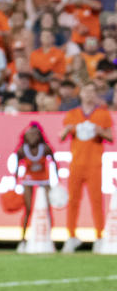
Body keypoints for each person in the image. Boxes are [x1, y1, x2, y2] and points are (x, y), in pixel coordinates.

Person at [60, 83, 113, 252]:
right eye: (86, 91)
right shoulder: (73, 114)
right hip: (76, 164)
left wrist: (100, 131)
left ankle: (99, 237)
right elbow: (61, 136)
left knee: (97, 201)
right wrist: (68, 130)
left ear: (95, 94)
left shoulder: (102, 114)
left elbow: (111, 137)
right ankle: (71, 236)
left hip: (94, 164)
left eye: (92, 92)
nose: (89, 94)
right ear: (81, 94)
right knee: (73, 201)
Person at [13, 122, 58, 251]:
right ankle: (22, 240)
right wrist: (14, 183)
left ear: (39, 136)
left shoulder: (45, 148)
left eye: (35, 134)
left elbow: (55, 163)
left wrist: (57, 181)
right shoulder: (22, 150)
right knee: (28, 210)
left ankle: (49, 238)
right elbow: (16, 168)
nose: (32, 137)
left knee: (47, 210)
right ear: (25, 136)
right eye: (30, 135)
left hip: (44, 179)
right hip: (28, 180)